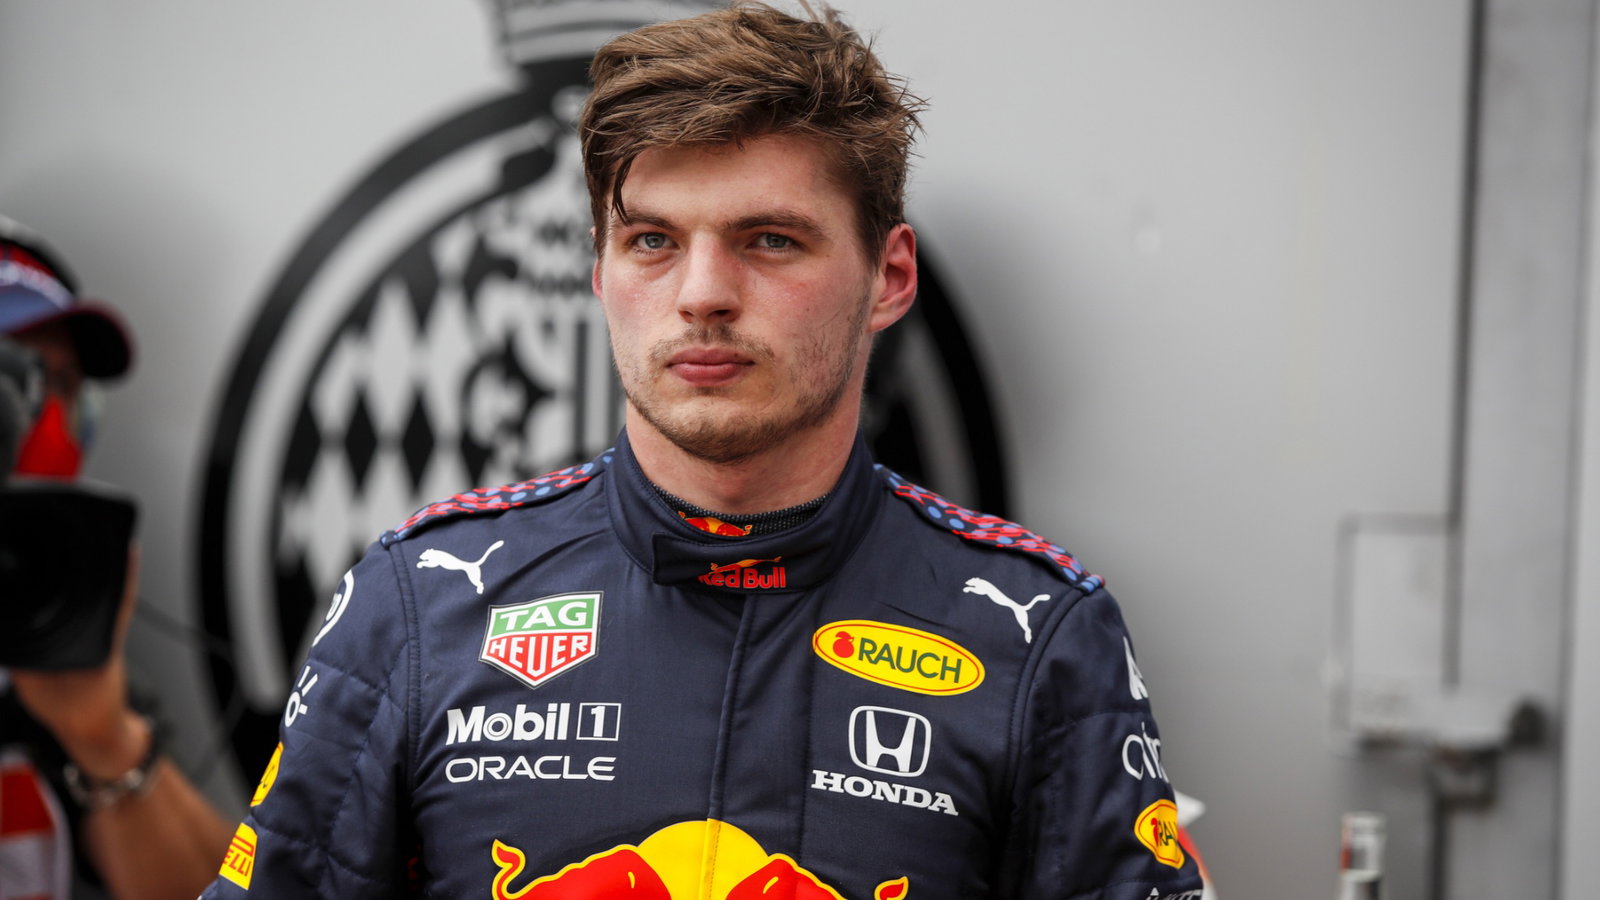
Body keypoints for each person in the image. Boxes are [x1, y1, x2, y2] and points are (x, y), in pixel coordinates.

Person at [201, 4, 1204, 898]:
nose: (701, 294)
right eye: (651, 241)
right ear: (598, 264)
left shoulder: (1038, 636)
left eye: (769, 239)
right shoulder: (417, 603)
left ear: (889, 277)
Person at [1, 215, 234, 900]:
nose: (37, 416)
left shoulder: (51, 620)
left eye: (62, 384)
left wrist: (105, 741)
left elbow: (217, 888)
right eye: (11, 378)